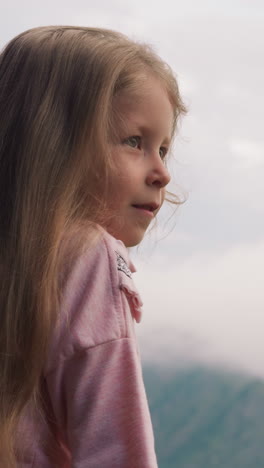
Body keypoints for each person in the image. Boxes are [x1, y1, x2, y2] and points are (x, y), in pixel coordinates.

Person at [0, 26, 186, 467]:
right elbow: (118, 454)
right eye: (134, 142)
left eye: (164, 149)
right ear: (53, 143)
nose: (162, 173)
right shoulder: (88, 257)